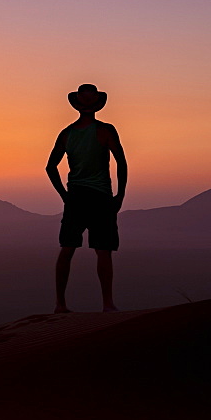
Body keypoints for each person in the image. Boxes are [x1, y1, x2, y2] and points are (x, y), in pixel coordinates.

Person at [45, 83, 127, 313]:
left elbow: (51, 167)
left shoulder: (67, 134)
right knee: (103, 250)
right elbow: (121, 163)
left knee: (68, 247)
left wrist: (64, 195)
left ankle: (60, 304)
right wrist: (120, 194)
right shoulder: (106, 130)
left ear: (78, 106)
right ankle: (108, 304)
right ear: (97, 106)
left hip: (76, 197)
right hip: (101, 197)